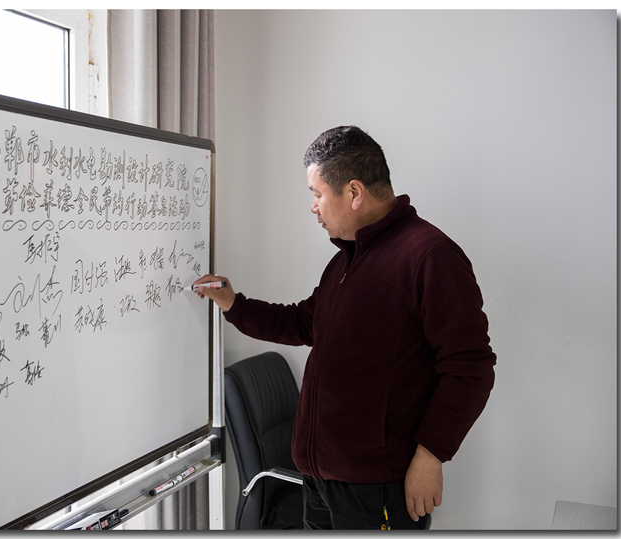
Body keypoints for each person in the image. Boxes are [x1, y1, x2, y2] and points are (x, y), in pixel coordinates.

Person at [194, 125, 496, 530]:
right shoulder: (346, 259)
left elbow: (471, 367)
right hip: (319, 482)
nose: (313, 207)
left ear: (354, 192)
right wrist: (234, 303)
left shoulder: (430, 256)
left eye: (317, 194)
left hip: (377, 490)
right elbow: (304, 322)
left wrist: (431, 456)